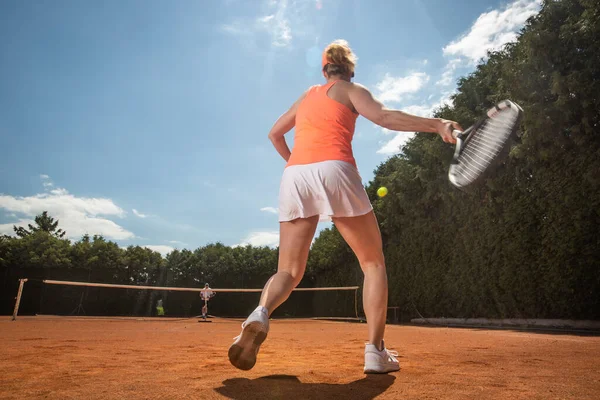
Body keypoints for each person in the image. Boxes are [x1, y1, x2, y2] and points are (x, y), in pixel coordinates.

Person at [228, 40, 461, 373]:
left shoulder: (309, 95)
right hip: (335, 168)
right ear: (349, 69)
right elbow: (383, 116)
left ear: (324, 70)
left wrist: (297, 163)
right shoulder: (350, 90)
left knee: (289, 271)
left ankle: (260, 313)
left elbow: (274, 134)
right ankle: (375, 351)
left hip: (295, 174)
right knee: (372, 263)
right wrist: (436, 124)